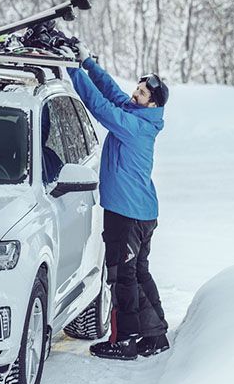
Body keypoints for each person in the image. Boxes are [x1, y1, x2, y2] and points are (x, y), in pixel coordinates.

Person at [64, 45, 170, 360]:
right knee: (137, 273)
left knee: (122, 276)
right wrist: (86, 63)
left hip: (127, 215)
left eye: (140, 92)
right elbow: (110, 92)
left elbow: (99, 106)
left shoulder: (135, 126)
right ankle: (155, 336)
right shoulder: (141, 115)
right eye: (136, 89)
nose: (134, 94)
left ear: (153, 101)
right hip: (140, 213)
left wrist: (69, 71)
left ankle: (125, 340)